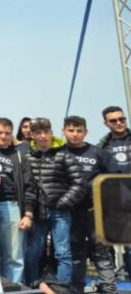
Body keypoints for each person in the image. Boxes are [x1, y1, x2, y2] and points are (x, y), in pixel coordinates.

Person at [23, 118, 84, 286]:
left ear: (51, 132)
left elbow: (79, 183)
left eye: (46, 132)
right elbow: (27, 186)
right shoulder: (27, 156)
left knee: (63, 253)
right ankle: (30, 287)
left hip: (60, 212)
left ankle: (61, 288)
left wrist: (63, 202)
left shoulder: (64, 154)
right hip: (37, 212)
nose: (43, 136)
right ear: (32, 135)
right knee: (33, 253)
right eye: (38, 133)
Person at [62, 116, 116, 294]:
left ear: (86, 132)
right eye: (71, 130)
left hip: (95, 213)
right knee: (76, 254)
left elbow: (114, 180)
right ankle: (76, 289)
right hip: (69, 213)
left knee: (101, 252)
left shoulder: (99, 153)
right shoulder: (58, 153)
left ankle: (109, 288)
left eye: (79, 130)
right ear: (64, 131)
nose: (75, 134)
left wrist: (104, 204)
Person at [0, 117, 36, 284]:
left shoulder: (19, 156)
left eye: (7, 133)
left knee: (14, 256)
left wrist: (28, 215)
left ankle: (13, 288)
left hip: (12, 206)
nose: (3, 136)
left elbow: (30, 186)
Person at [97, 106, 131, 279]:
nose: (119, 123)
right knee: (126, 242)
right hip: (117, 200)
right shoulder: (101, 147)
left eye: (122, 119)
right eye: (113, 120)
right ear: (106, 123)